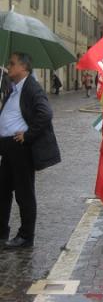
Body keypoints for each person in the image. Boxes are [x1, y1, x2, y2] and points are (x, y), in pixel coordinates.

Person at [0, 52, 61, 248]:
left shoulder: (32, 88)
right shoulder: (14, 88)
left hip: (21, 148)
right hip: (8, 148)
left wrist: (28, 135)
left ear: (24, 68)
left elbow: (45, 113)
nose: (9, 67)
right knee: (2, 191)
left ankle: (26, 236)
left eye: (12, 63)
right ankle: (1, 231)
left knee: (24, 193)